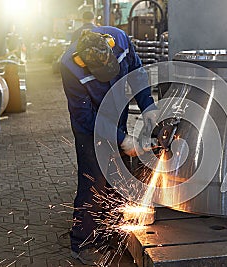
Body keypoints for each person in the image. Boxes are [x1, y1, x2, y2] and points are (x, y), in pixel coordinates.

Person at [60, 26, 158, 265]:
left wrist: (148, 107)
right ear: (83, 62)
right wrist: (122, 139)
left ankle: (110, 230)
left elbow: (136, 73)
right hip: (89, 127)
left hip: (116, 112)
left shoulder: (121, 41)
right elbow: (84, 116)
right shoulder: (70, 66)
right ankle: (83, 243)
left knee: (117, 172)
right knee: (94, 181)